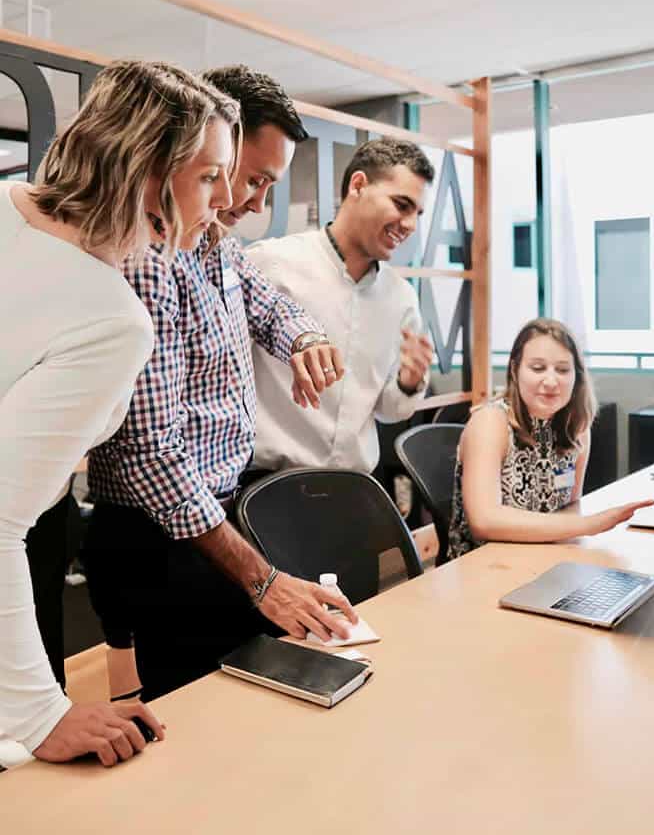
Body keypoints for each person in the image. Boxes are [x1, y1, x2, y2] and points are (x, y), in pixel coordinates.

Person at [85, 65, 357, 704]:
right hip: (159, 530)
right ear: (210, 149)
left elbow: (268, 304)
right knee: (220, 708)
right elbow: (150, 454)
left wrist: (303, 337)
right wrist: (263, 582)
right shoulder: (150, 258)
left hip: (208, 515)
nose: (259, 203)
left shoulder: (215, 243)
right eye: (251, 179)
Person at [0, 58, 240, 767]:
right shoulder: (113, 320)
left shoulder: (7, 202)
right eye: (208, 176)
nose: (225, 200)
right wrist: (40, 715)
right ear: (146, 174)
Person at [247, 136, 435, 474]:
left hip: (354, 487)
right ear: (358, 185)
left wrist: (409, 381)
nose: (410, 225)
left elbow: (389, 410)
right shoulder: (270, 264)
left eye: (417, 214)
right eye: (401, 205)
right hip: (267, 483)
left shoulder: (402, 298)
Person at [447, 318, 654, 558]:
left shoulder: (577, 426)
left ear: (576, 376)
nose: (551, 381)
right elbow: (484, 520)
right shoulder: (491, 422)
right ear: (515, 370)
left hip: (544, 555)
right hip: (482, 565)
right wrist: (589, 525)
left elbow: (568, 508)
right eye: (537, 368)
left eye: (563, 370)